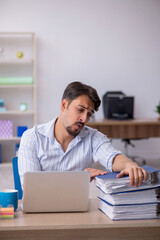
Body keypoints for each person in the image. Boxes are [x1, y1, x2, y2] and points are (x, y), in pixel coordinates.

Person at [18, 81, 147, 187]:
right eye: (80, 110)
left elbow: (112, 157)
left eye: (89, 114)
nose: (84, 119)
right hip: (41, 211)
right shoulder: (32, 137)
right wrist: (77, 179)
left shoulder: (93, 137)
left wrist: (130, 165)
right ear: (64, 105)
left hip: (76, 210)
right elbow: (31, 186)